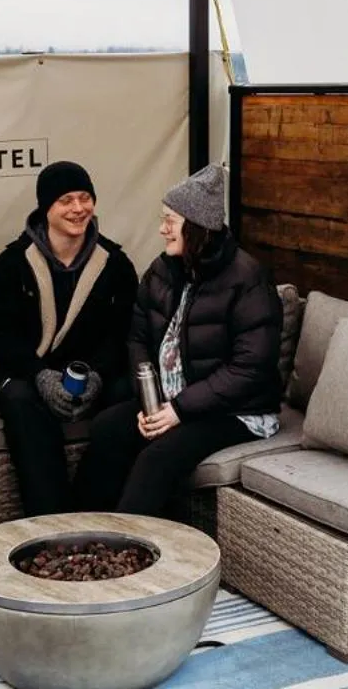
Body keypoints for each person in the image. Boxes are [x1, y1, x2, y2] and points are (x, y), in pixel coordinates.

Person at [74, 163, 282, 517]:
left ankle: (126, 552)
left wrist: (178, 410)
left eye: (170, 220)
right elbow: (137, 339)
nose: (161, 229)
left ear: (197, 225)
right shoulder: (162, 271)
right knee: (108, 428)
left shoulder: (247, 279)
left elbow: (249, 369)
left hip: (235, 411)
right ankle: (75, 532)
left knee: (158, 456)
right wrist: (150, 403)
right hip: (173, 402)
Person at [0, 160, 137, 515]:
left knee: (125, 397)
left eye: (85, 198)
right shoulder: (12, 263)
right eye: (66, 200)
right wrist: (40, 376)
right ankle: (51, 519)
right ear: (46, 207)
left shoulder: (115, 264)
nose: (78, 208)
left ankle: (95, 508)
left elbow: (122, 333)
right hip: (27, 372)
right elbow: (1, 334)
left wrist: (97, 375)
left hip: (91, 373)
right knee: (21, 402)